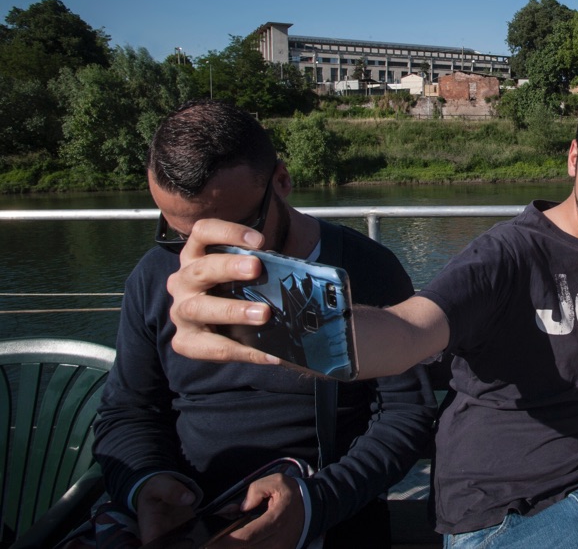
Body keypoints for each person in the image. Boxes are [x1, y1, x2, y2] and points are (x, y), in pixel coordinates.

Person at [166, 81, 578, 548]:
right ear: (573, 157)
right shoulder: (505, 255)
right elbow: (411, 330)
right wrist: (271, 314)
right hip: (504, 513)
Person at [92, 99, 436, 549]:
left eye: (231, 232)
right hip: (189, 512)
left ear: (282, 180)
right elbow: (127, 409)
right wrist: (147, 486)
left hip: (325, 506)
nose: (199, 256)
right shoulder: (156, 273)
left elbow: (407, 412)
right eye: (179, 233)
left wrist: (317, 504)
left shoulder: (364, 269)